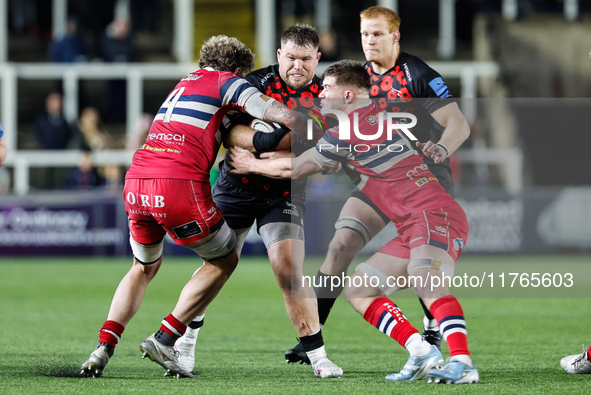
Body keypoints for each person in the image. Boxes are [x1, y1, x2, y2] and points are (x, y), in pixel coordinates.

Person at [79, 35, 316, 379]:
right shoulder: (228, 81)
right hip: (177, 185)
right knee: (224, 259)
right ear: (236, 69)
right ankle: (167, 336)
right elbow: (275, 112)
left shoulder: (184, 83)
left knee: (142, 268)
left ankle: (102, 348)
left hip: (137, 181)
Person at [228, 59, 479, 384]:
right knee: (361, 289)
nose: (321, 92)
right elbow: (330, 158)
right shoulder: (376, 117)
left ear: (347, 95)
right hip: (412, 221)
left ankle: (462, 361)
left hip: (430, 214)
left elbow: (295, 169)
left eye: (328, 88)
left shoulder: (348, 130)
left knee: (426, 281)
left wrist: (252, 164)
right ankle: (421, 352)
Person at [287, 6, 471, 363]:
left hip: (420, 178)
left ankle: (432, 333)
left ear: (395, 37)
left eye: (377, 34)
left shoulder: (417, 74)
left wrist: (442, 147)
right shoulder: (359, 77)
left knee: (423, 261)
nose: (369, 41)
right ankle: (313, 336)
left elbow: (458, 124)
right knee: (340, 245)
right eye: (365, 35)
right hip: (373, 179)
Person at [174, 24, 343, 379]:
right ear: (279, 56)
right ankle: (184, 343)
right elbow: (229, 130)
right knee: (217, 265)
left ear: (318, 59)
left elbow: (313, 143)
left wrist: (260, 145)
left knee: (289, 268)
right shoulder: (254, 83)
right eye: (291, 58)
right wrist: (268, 144)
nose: (298, 66)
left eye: (306, 59)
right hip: (236, 184)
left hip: (284, 191)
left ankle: (318, 357)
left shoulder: (328, 94)